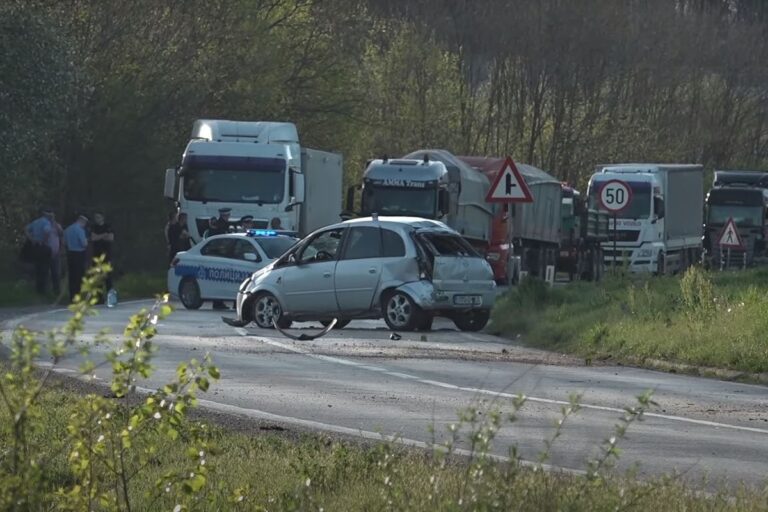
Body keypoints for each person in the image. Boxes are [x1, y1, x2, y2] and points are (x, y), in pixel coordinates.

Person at [24, 207, 54, 295]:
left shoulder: (36, 222)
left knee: (38, 268)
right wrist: (44, 240)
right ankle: (43, 290)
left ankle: (38, 289)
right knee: (44, 268)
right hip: (43, 246)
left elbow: (26, 229)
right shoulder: (46, 222)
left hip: (35, 247)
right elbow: (47, 231)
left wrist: (31, 239)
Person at [64, 214, 89, 302]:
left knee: (72, 276)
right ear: (82, 221)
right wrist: (86, 241)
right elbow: (84, 243)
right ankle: (79, 296)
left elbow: (65, 242)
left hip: (70, 253)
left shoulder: (68, 229)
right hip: (79, 254)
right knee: (79, 276)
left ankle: (72, 296)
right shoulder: (80, 230)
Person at [90, 211, 115, 296]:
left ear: (102, 217)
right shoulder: (93, 227)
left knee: (108, 276)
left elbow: (111, 238)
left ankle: (110, 296)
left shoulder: (108, 226)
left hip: (107, 254)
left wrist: (99, 236)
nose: (97, 219)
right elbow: (93, 238)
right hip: (96, 255)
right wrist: (104, 235)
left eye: (98, 217)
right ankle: (99, 297)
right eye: (96, 217)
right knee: (97, 276)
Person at [48, 213, 64, 298]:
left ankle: (57, 291)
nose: (50, 218)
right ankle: (46, 291)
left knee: (56, 272)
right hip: (45, 252)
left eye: (52, 216)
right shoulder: (44, 225)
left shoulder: (57, 226)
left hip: (56, 252)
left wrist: (61, 249)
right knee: (46, 272)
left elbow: (61, 235)